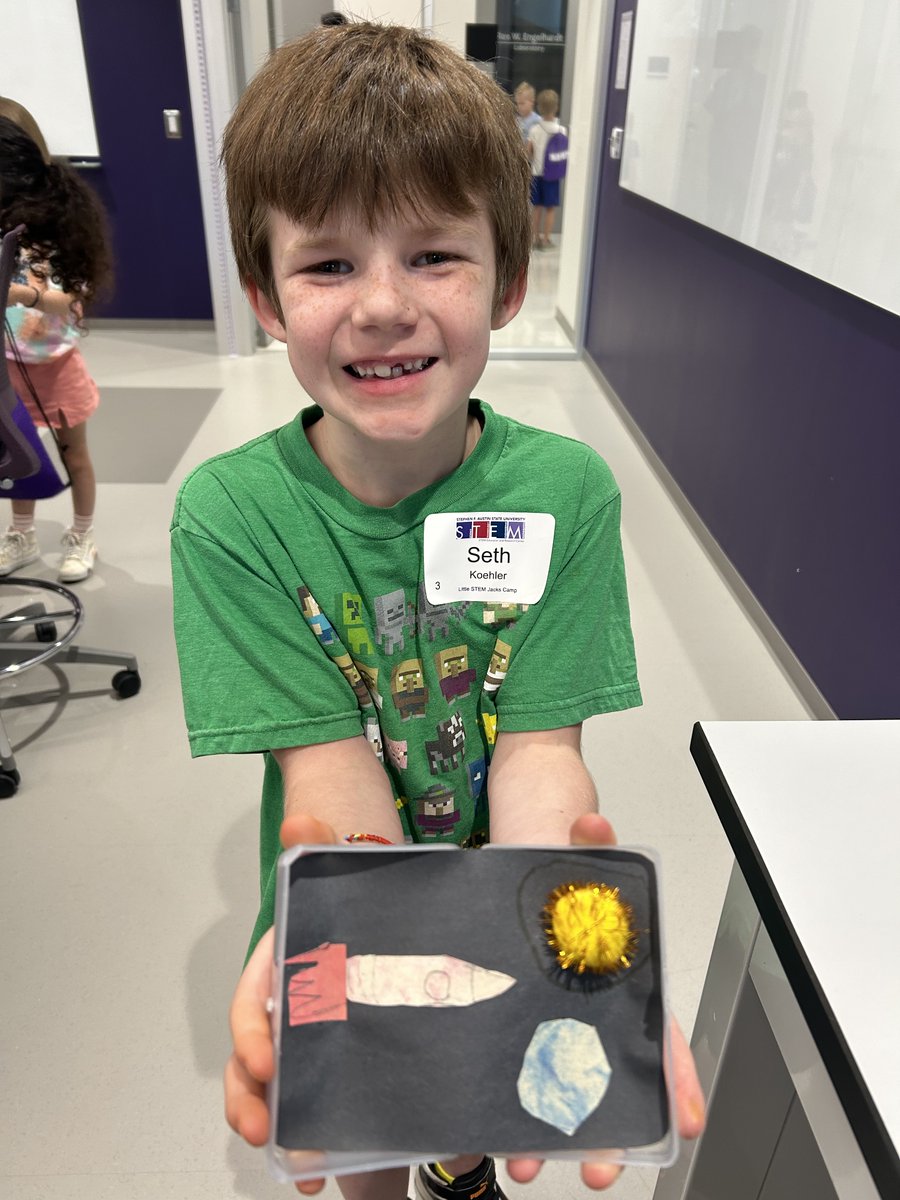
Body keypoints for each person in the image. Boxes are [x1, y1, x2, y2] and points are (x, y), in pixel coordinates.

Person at [170, 21, 704, 1200]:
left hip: (497, 876)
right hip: (346, 882)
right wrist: (365, 949)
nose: (379, 307)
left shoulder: (565, 495)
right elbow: (328, 780)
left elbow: (542, 757)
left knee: (475, 1127)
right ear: (265, 295)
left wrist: (572, 961)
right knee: (367, 1141)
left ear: (508, 281)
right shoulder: (232, 514)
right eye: (326, 266)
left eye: (432, 256)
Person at [0, 104, 111, 582]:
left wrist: (24, 293)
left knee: (73, 455)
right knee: (20, 454)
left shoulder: (61, 223)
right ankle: (21, 534)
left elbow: (72, 299)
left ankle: (82, 534)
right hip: (10, 366)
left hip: (58, 366)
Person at [528, 88, 565, 250]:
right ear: (556, 107)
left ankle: (535, 238)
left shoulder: (534, 130)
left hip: (536, 173)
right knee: (550, 208)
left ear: (539, 108)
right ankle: (547, 239)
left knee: (536, 208)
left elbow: (528, 151)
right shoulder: (561, 130)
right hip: (553, 175)